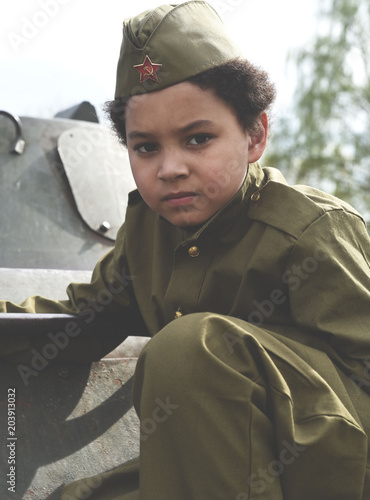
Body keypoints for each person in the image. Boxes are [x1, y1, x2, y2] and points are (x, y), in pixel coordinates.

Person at [2, 1, 370, 498]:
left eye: (197, 139)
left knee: (189, 349)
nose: (170, 168)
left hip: (321, 465)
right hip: (212, 458)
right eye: (146, 147)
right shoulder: (148, 235)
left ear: (255, 134)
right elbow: (82, 319)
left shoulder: (311, 232)